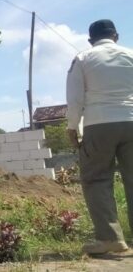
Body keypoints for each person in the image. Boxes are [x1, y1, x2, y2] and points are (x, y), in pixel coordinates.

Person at [66, 19, 133, 255]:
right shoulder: (131, 55)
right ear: (116, 35)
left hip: (99, 123)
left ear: (90, 40)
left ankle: (110, 238)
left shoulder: (83, 58)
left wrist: (72, 127)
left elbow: (75, 99)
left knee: (96, 179)